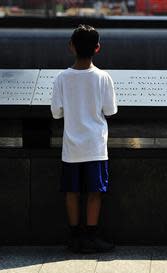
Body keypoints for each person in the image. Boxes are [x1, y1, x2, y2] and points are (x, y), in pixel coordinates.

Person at [50, 24, 117, 253]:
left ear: (71, 47)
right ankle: (92, 235)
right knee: (95, 192)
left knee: (72, 191)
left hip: (71, 146)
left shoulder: (62, 78)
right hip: (96, 146)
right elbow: (110, 111)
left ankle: (74, 236)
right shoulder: (103, 77)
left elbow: (56, 113)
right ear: (98, 48)